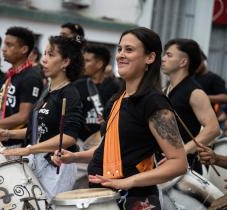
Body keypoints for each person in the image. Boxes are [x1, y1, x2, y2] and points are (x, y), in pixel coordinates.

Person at [52, 27, 187, 209]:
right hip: (102, 197)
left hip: (135, 199)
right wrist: (74, 156)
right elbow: (108, 150)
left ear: (150, 58)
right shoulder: (117, 99)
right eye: (120, 49)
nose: (121, 55)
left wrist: (127, 182)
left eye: (129, 50)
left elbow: (178, 163)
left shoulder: (153, 102)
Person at [0, 35, 84, 200]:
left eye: (51, 55)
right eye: (45, 54)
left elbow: (69, 137)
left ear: (65, 62)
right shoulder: (47, 90)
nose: (44, 60)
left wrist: (28, 149)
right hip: (37, 158)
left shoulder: (70, 93)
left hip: (56, 165)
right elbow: (39, 129)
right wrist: (9, 133)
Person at [161, 38, 220, 173]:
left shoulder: (195, 92)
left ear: (183, 62)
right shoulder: (166, 89)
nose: (163, 59)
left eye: (169, 55)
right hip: (164, 165)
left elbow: (213, 128)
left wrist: (184, 151)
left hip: (184, 168)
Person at [74, 44, 122, 142]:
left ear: (100, 64)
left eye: (87, 61)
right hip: (78, 141)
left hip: (104, 141)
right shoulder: (77, 85)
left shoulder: (116, 87)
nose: (82, 64)